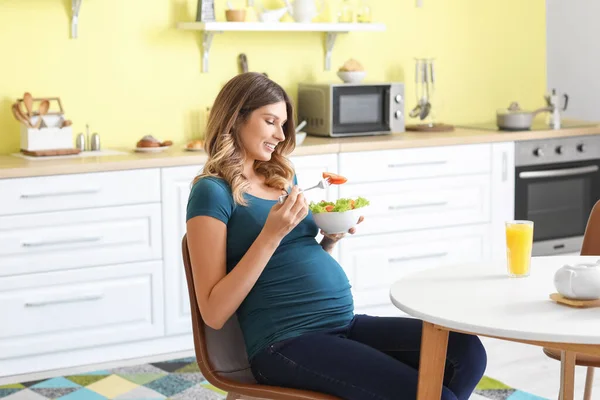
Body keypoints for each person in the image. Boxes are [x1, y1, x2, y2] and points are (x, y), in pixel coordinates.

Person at [185, 72, 487, 400]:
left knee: (465, 351)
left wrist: (327, 242)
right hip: (286, 343)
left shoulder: (281, 177)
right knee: (434, 397)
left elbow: (292, 258)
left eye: (283, 124)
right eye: (270, 121)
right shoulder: (211, 192)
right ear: (235, 118)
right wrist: (270, 235)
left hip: (342, 324)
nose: (280, 134)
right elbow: (213, 313)